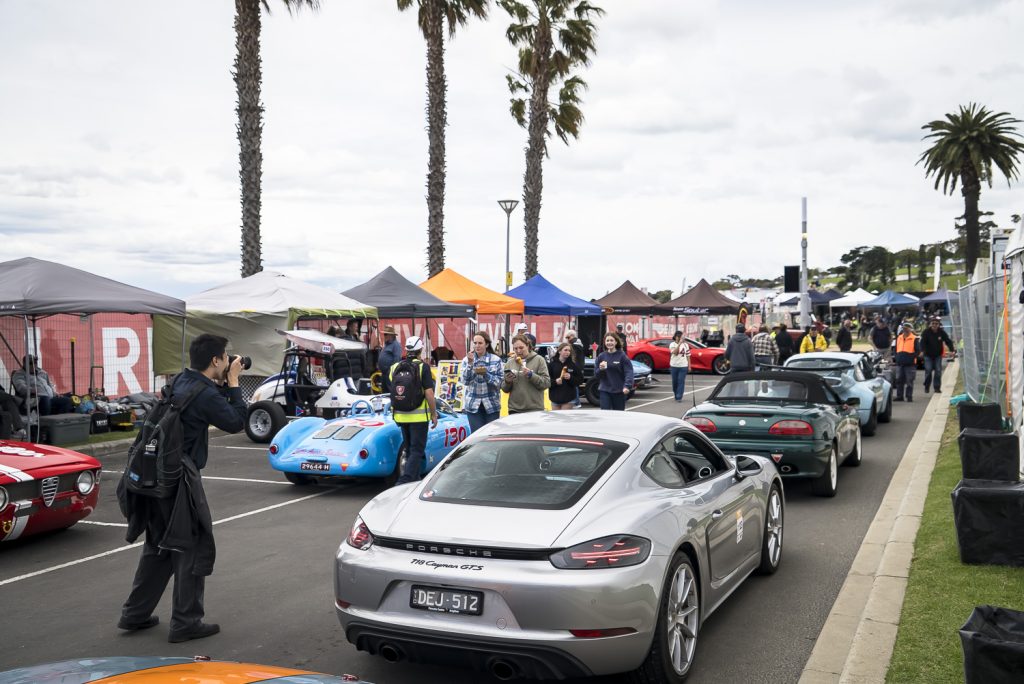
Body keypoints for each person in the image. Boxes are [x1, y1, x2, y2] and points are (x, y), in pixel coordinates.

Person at [118, 333, 247, 643]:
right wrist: (233, 382)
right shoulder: (205, 394)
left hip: (155, 473)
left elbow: (209, 406)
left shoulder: (181, 381)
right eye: (225, 357)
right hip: (179, 479)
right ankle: (186, 622)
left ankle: (134, 614)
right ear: (215, 360)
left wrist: (222, 381)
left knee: (159, 546)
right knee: (190, 545)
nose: (228, 361)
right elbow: (235, 422)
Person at [389, 335, 438, 484]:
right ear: (420, 350)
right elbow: (429, 393)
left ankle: (414, 481)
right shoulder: (423, 367)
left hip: (400, 415)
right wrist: (434, 413)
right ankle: (405, 480)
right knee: (417, 450)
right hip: (418, 418)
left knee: (410, 449)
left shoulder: (394, 367)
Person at [460, 331, 503, 430]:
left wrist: (486, 374)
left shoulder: (496, 360)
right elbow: (465, 381)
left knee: (491, 435)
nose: (477, 346)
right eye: (475, 343)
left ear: (486, 344)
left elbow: (500, 383)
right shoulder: (466, 360)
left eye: (480, 343)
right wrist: (470, 364)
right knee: (476, 435)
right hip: (473, 405)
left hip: (492, 404)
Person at [501, 334, 550, 413]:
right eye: (515, 348)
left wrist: (531, 375)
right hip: (514, 409)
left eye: (521, 348)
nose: (518, 351)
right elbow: (504, 389)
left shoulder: (539, 360)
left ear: (527, 346)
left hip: (535, 409)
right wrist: (507, 382)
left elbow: (546, 383)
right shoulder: (510, 363)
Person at [596, 332, 633, 410]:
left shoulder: (622, 356)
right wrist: (601, 370)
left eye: (611, 340)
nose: (609, 342)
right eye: (607, 341)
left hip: (619, 391)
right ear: (605, 342)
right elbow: (597, 375)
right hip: (604, 390)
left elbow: (629, 372)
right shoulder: (601, 356)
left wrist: (627, 386)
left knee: (618, 414)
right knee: (605, 413)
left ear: (616, 342)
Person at [920, 318, 954, 394]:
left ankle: (937, 387)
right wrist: (922, 351)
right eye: (933, 323)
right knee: (928, 371)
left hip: (938, 355)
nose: (934, 325)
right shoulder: (926, 332)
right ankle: (927, 386)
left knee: (938, 371)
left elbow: (948, 341)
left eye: (936, 324)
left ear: (939, 325)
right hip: (928, 355)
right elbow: (922, 342)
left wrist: (952, 350)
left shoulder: (941, 332)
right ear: (930, 324)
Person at [548, 343, 582, 410]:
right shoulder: (552, 364)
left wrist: (570, 377)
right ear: (559, 351)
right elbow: (546, 380)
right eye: (565, 350)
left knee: (565, 416)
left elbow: (580, 380)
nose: (568, 352)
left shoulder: (573, 365)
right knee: (556, 416)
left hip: (568, 398)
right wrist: (555, 381)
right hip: (555, 397)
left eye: (569, 351)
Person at [893, 322, 920, 402]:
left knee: (909, 380)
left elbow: (918, 351)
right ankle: (899, 396)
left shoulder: (914, 338)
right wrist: (897, 357)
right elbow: (895, 349)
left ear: (910, 329)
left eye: (907, 328)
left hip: (910, 364)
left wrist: (911, 357)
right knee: (899, 380)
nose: (905, 330)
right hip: (900, 362)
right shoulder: (899, 338)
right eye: (904, 328)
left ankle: (909, 396)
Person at [376, 326, 402, 393]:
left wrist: (390, 370)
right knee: (384, 391)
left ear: (391, 335)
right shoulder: (387, 344)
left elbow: (397, 359)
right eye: (384, 334)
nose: (384, 336)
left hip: (390, 373)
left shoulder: (396, 345)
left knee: (390, 391)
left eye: (386, 334)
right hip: (384, 373)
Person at [564, 329, 586, 407]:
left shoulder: (574, 345)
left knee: (573, 384)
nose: (567, 339)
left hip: (575, 367)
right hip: (579, 367)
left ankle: (576, 402)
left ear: (572, 336)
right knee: (574, 384)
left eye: (568, 337)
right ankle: (576, 402)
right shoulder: (579, 344)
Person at [668, 331, 690, 402]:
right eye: (680, 337)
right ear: (676, 337)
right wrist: (679, 344)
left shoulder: (686, 345)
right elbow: (675, 353)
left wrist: (689, 366)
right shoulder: (672, 344)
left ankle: (679, 396)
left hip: (683, 366)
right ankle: (676, 394)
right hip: (674, 366)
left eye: (682, 337)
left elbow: (688, 355)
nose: (681, 338)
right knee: (675, 382)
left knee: (681, 381)